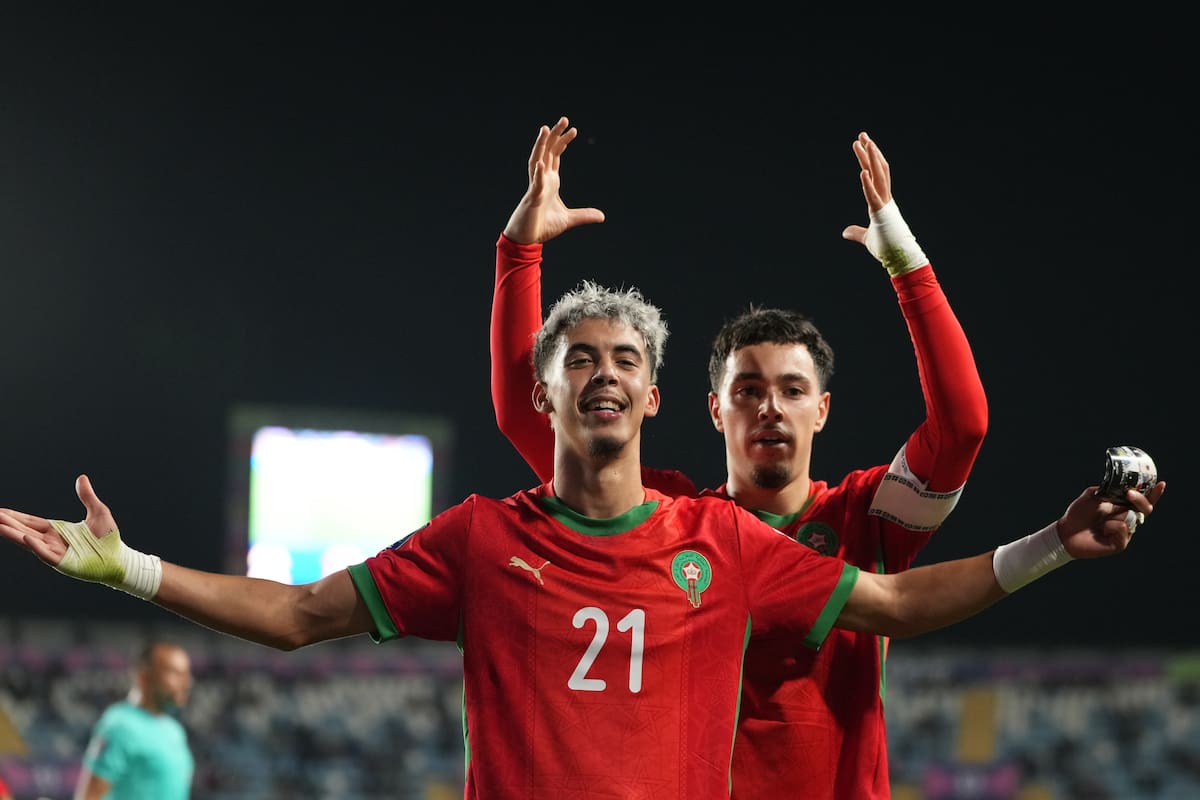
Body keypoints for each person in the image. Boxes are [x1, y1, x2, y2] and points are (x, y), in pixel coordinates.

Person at [2, 258, 1161, 799]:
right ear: (544, 392)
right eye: (578, 360)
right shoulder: (475, 538)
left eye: (625, 361)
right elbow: (299, 613)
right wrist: (132, 567)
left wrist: (1056, 539)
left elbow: (902, 604)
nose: (602, 374)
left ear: (656, 396)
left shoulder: (724, 540)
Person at [491, 118, 988, 797]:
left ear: (823, 410)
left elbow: (961, 427)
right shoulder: (670, 520)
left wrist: (906, 264)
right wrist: (519, 252)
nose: (771, 409)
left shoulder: (868, 520)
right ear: (714, 409)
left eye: (793, 390)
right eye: (747, 392)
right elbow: (532, 410)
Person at [73, 640, 194, 800]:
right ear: (144, 677)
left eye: (186, 674)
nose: (186, 682)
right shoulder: (120, 725)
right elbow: (90, 796)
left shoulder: (174, 730)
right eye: (175, 673)